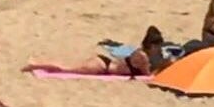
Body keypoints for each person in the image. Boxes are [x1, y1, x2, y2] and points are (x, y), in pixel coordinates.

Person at [22, 26, 166, 79]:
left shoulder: (140, 52)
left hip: (104, 62)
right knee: (67, 69)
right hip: (103, 67)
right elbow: (148, 75)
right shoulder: (143, 57)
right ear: (152, 46)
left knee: (68, 66)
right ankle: (35, 65)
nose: (158, 49)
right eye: (157, 47)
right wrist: (164, 67)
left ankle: (36, 63)